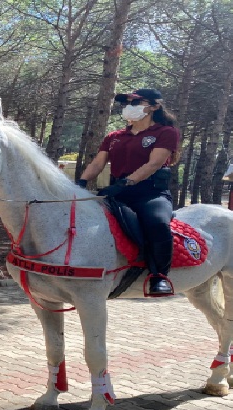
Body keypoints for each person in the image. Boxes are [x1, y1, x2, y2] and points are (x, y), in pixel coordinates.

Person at [77, 88, 180, 295]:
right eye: (127, 103)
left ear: (154, 106)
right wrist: (80, 182)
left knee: (158, 223)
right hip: (116, 193)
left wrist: (124, 183)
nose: (129, 107)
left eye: (136, 102)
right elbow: (98, 163)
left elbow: (154, 164)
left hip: (150, 194)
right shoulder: (115, 136)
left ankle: (159, 276)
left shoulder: (165, 132)